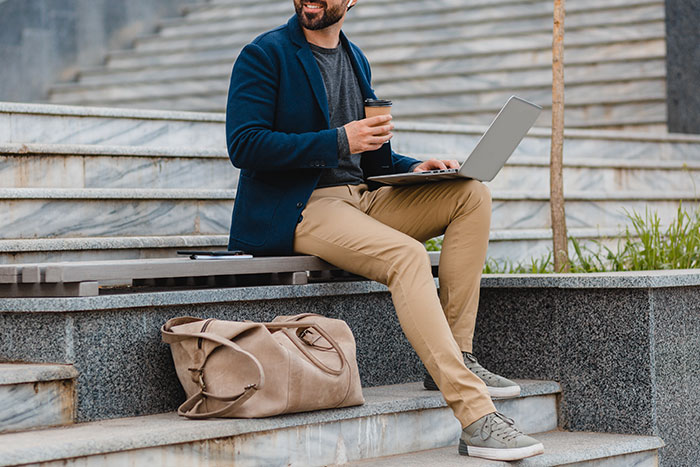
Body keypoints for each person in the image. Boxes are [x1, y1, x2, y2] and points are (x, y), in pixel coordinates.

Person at [225, 0, 544, 461]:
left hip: (363, 198)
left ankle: (455, 357)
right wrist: (338, 140)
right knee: (407, 255)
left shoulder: (355, 59)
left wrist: (414, 166)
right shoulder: (265, 54)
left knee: (470, 193)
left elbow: (371, 160)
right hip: (304, 206)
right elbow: (244, 143)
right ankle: (476, 416)